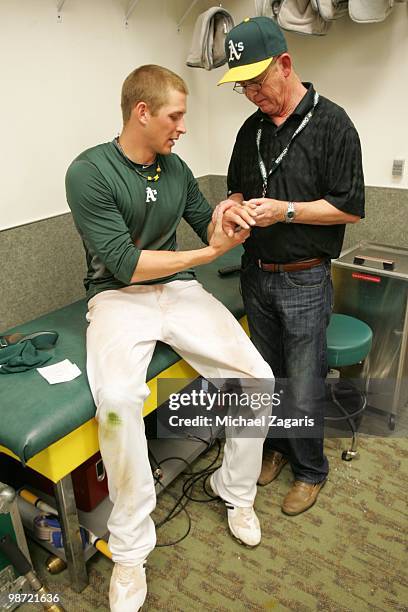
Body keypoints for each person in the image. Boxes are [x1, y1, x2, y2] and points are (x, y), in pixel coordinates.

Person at [65, 64, 274, 612]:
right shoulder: (89, 171)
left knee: (257, 379)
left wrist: (228, 220)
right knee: (116, 402)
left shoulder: (175, 169)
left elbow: (206, 223)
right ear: (142, 112)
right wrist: (207, 255)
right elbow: (124, 263)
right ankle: (130, 554)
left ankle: (236, 493)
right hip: (117, 297)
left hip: (178, 291)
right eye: (175, 116)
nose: (182, 127)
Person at [216, 17, 365, 516]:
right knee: (268, 376)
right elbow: (237, 187)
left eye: (258, 81)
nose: (251, 93)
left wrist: (287, 210)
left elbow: (348, 206)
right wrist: (234, 207)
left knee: (303, 381)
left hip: (305, 277)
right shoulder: (251, 129)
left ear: (285, 64)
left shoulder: (333, 124)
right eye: (243, 85)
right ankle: (277, 450)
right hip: (256, 273)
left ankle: (310, 470)